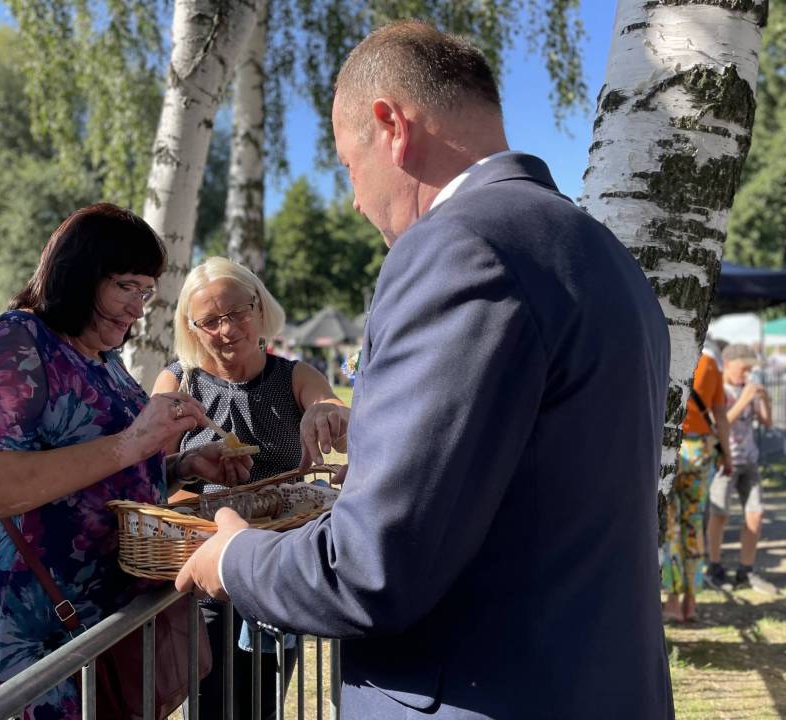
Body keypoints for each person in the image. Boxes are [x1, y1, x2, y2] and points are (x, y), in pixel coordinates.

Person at [175, 20, 674, 720]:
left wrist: (234, 557)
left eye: (349, 165)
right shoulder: (600, 250)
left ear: (390, 126)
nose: (355, 199)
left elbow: (371, 567)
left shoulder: (458, 248)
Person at [0, 203, 252, 717]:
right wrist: (133, 443)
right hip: (26, 639)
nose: (137, 308)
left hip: (96, 636)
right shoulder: (19, 340)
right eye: (126, 287)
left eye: (146, 292)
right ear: (79, 273)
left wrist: (179, 467)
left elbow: (98, 480)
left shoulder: (104, 359)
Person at [151, 255, 349, 720]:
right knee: (209, 706)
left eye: (237, 312)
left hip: (275, 574)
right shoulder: (178, 381)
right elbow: (148, 475)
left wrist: (330, 413)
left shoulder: (295, 376)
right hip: (205, 575)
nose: (226, 329)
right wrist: (189, 468)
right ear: (191, 328)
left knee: (262, 703)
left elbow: (333, 415)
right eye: (210, 321)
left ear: (259, 307)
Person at [662, 346, 731, 622]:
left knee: (670, 526)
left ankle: (672, 600)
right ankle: (691, 601)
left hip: (668, 449)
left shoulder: (665, 350)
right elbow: (720, 414)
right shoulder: (711, 362)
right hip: (700, 450)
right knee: (694, 523)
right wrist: (727, 455)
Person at [706, 343, 778, 594]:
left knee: (756, 514)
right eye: (743, 368)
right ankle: (714, 567)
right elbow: (719, 423)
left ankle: (746, 570)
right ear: (728, 364)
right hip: (724, 460)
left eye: (750, 369)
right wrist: (745, 398)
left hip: (749, 460)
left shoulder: (746, 388)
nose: (747, 373)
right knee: (719, 514)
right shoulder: (719, 388)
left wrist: (764, 399)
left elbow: (767, 423)